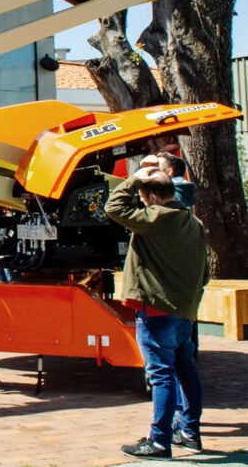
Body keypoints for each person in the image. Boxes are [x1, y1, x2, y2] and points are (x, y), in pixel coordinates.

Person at [106, 166, 207, 460]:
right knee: (186, 372)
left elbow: (114, 207)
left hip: (156, 310)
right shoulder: (194, 222)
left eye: (143, 195)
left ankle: (160, 440)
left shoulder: (156, 218)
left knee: (160, 375)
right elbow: (205, 272)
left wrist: (135, 177)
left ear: (151, 196)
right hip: (184, 311)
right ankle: (189, 433)